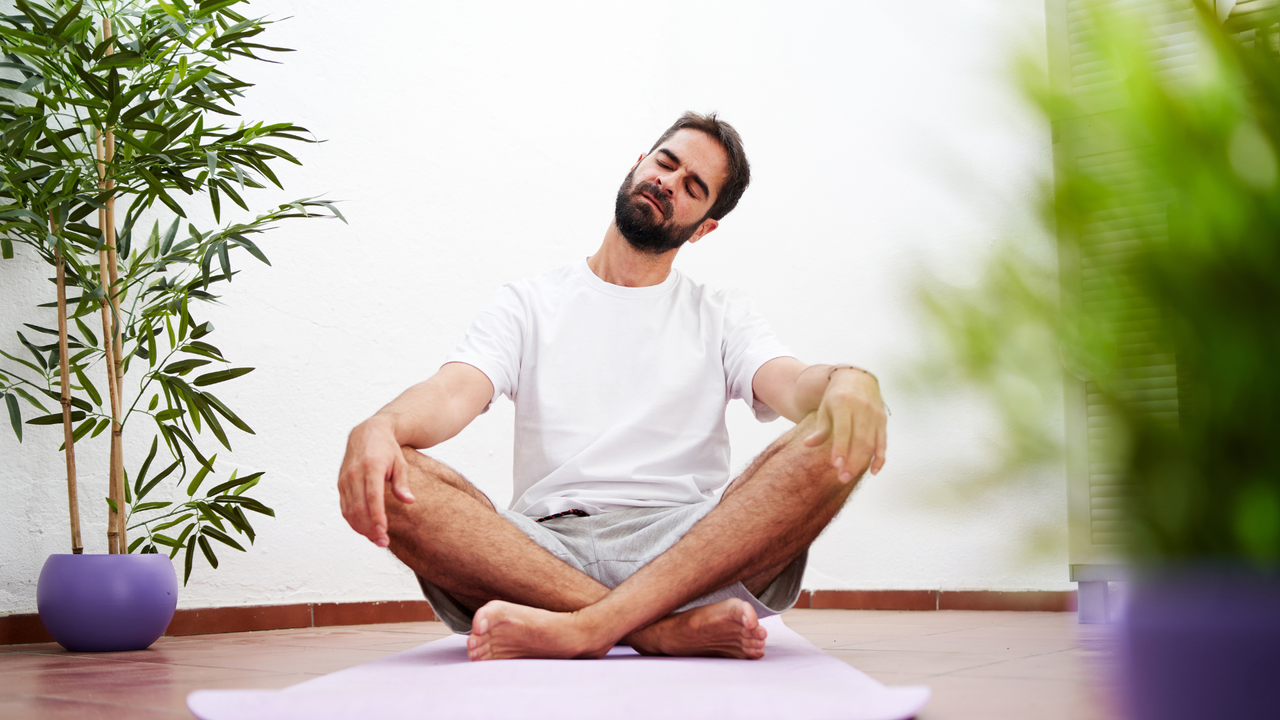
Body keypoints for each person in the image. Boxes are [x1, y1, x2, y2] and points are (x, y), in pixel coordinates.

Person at [337, 112, 888, 662]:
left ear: (704, 227)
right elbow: (452, 392)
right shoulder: (528, 303)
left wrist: (849, 383)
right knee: (392, 473)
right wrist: (381, 426)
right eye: (665, 163)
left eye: (693, 187)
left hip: (689, 549)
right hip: (539, 552)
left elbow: (792, 384)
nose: (668, 182)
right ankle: (656, 631)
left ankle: (582, 626)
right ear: (638, 165)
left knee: (842, 432)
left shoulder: (722, 314)